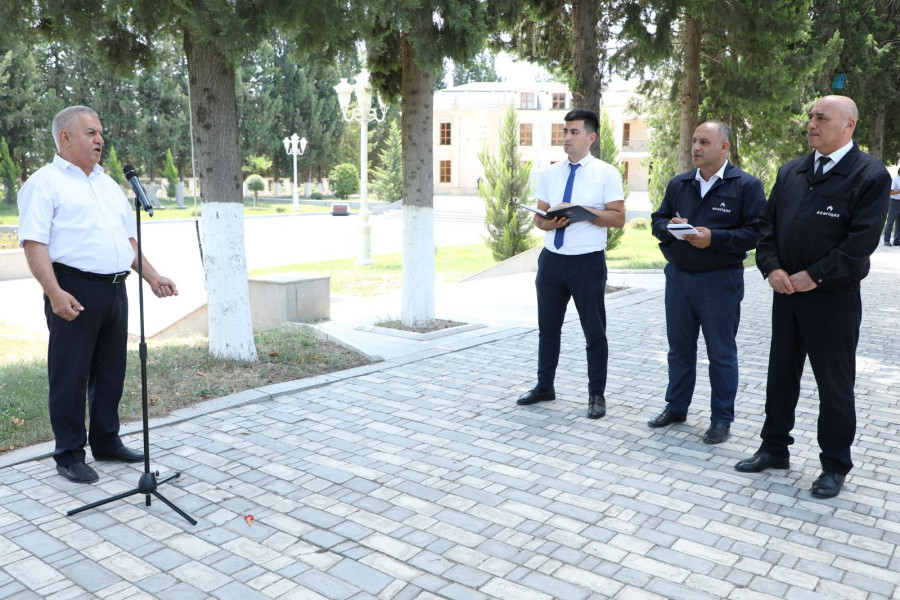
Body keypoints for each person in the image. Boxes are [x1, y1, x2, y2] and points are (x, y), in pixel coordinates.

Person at [734, 96, 890, 498]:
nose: (811, 123)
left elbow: (860, 244)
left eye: (821, 117)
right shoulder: (792, 171)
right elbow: (766, 227)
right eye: (811, 116)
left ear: (848, 125)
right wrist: (772, 268)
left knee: (834, 384)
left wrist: (814, 276)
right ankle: (774, 448)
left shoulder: (869, 176)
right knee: (780, 375)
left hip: (833, 299)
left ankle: (834, 465)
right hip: (786, 292)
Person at [17, 105, 179, 484]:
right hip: (73, 289)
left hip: (115, 289)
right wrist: (55, 293)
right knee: (70, 376)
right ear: (65, 137)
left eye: (100, 132)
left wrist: (153, 277)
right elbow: (35, 244)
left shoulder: (107, 184)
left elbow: (127, 240)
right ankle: (69, 454)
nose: (100, 139)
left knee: (110, 373)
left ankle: (106, 441)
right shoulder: (44, 183)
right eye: (91, 132)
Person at [648, 121, 766, 444]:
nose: (696, 147)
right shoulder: (680, 183)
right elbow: (657, 220)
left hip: (720, 282)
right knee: (679, 350)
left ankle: (721, 419)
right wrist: (670, 226)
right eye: (694, 141)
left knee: (721, 353)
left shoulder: (746, 186)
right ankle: (676, 407)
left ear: (724, 147)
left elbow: (756, 233)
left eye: (704, 142)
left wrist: (714, 238)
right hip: (678, 279)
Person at [516, 109, 625, 419]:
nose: (567, 137)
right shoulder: (551, 173)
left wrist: (585, 212)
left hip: (587, 263)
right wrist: (547, 224)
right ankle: (544, 386)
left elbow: (618, 218)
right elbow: (539, 218)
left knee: (594, 332)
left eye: (574, 132)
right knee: (547, 329)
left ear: (591, 137)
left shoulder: (606, 173)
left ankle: (596, 395)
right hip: (551, 261)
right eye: (565, 131)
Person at [884, 168, 900, 246]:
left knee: (899, 223)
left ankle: (897, 240)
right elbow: (890, 192)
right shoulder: (895, 179)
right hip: (894, 202)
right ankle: (886, 240)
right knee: (890, 221)